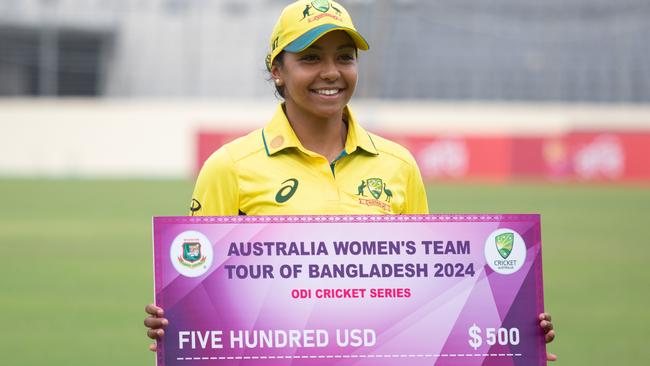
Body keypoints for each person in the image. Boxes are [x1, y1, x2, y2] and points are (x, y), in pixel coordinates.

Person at [144, 0, 556, 360]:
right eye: (310, 58)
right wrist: (179, 321)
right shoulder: (229, 167)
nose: (331, 72)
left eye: (344, 57)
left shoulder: (398, 165)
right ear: (277, 71)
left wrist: (511, 333)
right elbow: (202, 293)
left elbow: (429, 292)